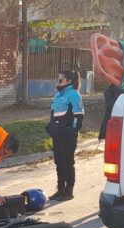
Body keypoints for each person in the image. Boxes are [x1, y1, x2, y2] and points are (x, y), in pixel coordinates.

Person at [47, 69, 85, 202]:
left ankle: (69, 191)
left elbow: (78, 116)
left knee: (67, 162)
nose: (58, 82)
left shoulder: (74, 94)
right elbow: (54, 114)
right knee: (59, 162)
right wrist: (50, 126)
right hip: (57, 135)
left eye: (60, 80)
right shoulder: (58, 95)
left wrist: (72, 130)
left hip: (67, 136)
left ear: (69, 81)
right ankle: (60, 189)